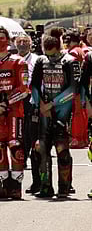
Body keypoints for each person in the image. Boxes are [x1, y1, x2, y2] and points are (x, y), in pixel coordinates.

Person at [30, 34, 78, 198]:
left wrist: (52, 104)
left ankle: (64, 186)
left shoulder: (70, 61)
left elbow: (73, 90)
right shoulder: (40, 61)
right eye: (48, 55)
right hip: (44, 110)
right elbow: (34, 85)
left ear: (59, 47)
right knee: (41, 149)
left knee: (62, 149)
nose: (50, 58)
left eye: (54, 55)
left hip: (63, 110)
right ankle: (45, 186)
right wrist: (41, 105)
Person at [0, 27, 30, 199]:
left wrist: (6, 102)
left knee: (15, 144)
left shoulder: (19, 62)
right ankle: (4, 184)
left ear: (8, 40)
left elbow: (24, 88)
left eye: (2, 38)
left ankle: (16, 185)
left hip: (14, 111)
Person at [15, 34, 41, 194]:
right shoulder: (11, 60)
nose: (22, 44)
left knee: (34, 142)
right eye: (19, 42)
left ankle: (37, 181)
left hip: (33, 103)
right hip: (16, 104)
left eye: (25, 41)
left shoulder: (38, 59)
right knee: (18, 141)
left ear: (31, 44)